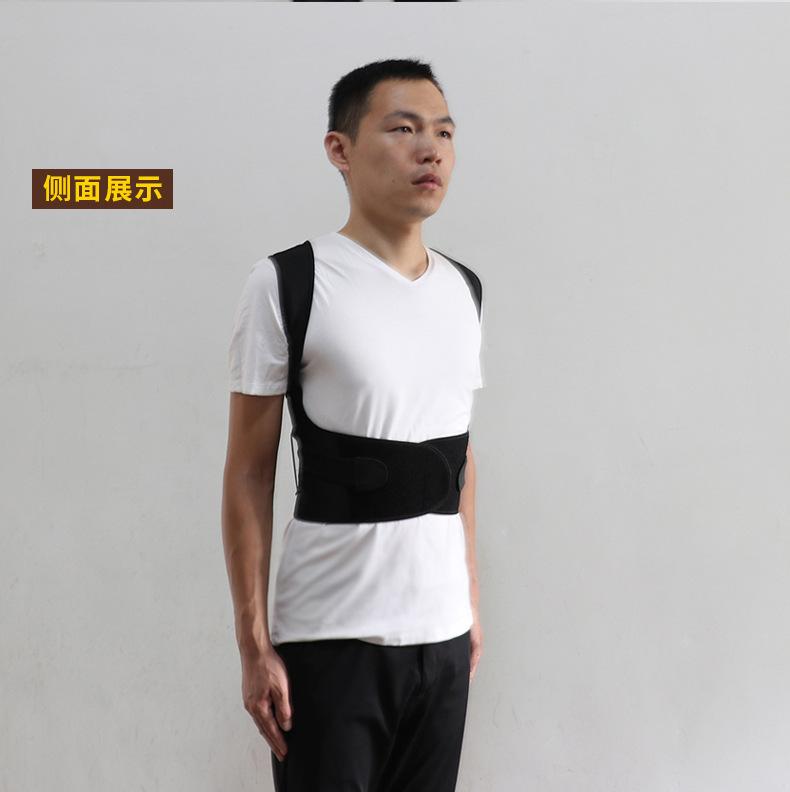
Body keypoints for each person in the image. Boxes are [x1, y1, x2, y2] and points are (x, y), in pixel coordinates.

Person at [222, 57, 485, 792]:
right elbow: (248, 471)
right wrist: (253, 643)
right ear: (340, 149)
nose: (430, 150)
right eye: (402, 129)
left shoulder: (463, 289)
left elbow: (460, 457)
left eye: (444, 133)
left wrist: (469, 602)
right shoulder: (289, 281)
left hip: (443, 640)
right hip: (330, 637)